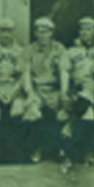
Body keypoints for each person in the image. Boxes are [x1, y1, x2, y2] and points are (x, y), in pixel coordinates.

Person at [0, 17, 32, 161]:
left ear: (13, 33)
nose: (5, 34)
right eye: (2, 31)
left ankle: (15, 153)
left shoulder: (21, 51)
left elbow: (23, 76)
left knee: (18, 108)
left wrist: (13, 92)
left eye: (8, 31)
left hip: (14, 88)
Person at [23, 17, 69, 164]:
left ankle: (61, 150)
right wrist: (30, 92)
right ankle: (37, 149)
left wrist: (63, 92)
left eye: (46, 32)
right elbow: (25, 73)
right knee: (33, 111)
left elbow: (64, 72)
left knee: (63, 112)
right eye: (39, 31)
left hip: (54, 89)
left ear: (51, 33)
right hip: (37, 89)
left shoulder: (59, 49)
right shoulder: (29, 50)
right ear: (35, 33)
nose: (42, 35)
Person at [62, 17, 94, 167]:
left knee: (89, 91)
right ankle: (87, 152)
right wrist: (65, 92)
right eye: (82, 29)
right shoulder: (70, 51)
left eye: (89, 29)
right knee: (88, 113)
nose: (85, 32)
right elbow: (65, 72)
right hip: (77, 89)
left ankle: (69, 126)